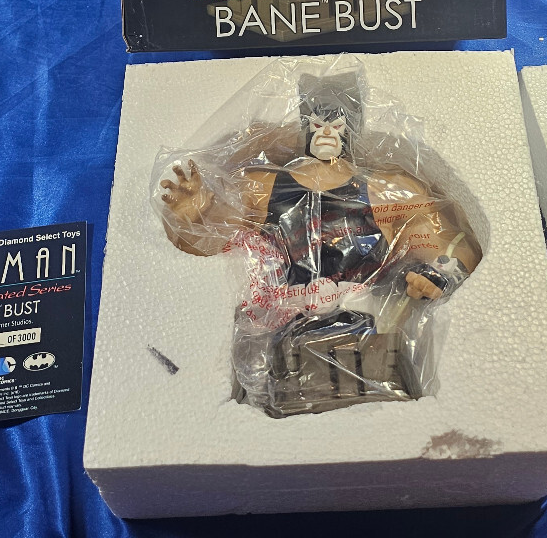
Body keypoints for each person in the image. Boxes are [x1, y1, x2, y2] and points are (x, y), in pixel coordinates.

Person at [157, 72, 480, 415]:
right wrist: (199, 216)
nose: (325, 131)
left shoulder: (388, 189)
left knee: (379, 416)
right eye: (317, 122)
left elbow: (450, 241)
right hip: (288, 337)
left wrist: (439, 274)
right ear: (304, 125)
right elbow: (213, 238)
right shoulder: (262, 185)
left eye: (335, 123)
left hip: (370, 334)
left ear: (350, 128)